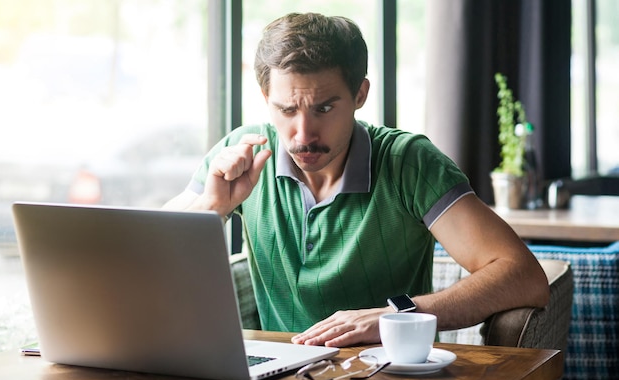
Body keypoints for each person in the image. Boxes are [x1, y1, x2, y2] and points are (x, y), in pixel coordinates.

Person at [164, 12, 549, 348]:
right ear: (266, 96)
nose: (302, 134)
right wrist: (212, 208)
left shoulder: (408, 162)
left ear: (360, 93)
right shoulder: (240, 155)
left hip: (389, 378)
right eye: (285, 109)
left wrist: (394, 315)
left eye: (324, 108)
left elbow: (523, 275)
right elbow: (145, 260)